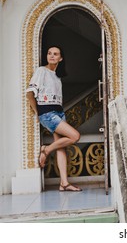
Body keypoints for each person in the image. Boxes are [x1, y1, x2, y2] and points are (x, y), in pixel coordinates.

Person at [26, 46, 82, 192]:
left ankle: (64, 183)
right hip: (47, 112)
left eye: (55, 54)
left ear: (60, 58)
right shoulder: (41, 71)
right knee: (75, 136)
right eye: (49, 53)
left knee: (61, 146)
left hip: (58, 112)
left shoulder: (57, 76)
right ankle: (46, 150)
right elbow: (30, 94)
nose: (51, 56)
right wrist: (38, 113)